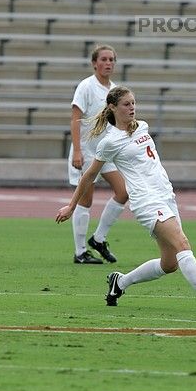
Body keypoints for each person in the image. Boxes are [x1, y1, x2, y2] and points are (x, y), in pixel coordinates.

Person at [56, 86, 196, 312]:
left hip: (166, 195)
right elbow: (89, 175)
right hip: (146, 202)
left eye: (133, 103)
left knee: (169, 264)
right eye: (126, 104)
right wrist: (71, 206)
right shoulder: (110, 141)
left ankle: (120, 282)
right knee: (182, 243)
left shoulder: (142, 126)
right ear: (113, 107)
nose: (132, 108)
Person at [67, 44, 128, 264]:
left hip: (106, 152)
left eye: (111, 59)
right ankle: (80, 251)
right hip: (86, 152)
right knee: (86, 199)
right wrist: (77, 150)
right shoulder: (86, 87)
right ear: (94, 63)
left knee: (123, 192)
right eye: (103, 59)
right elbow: (75, 118)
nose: (108, 63)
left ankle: (99, 239)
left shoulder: (115, 91)